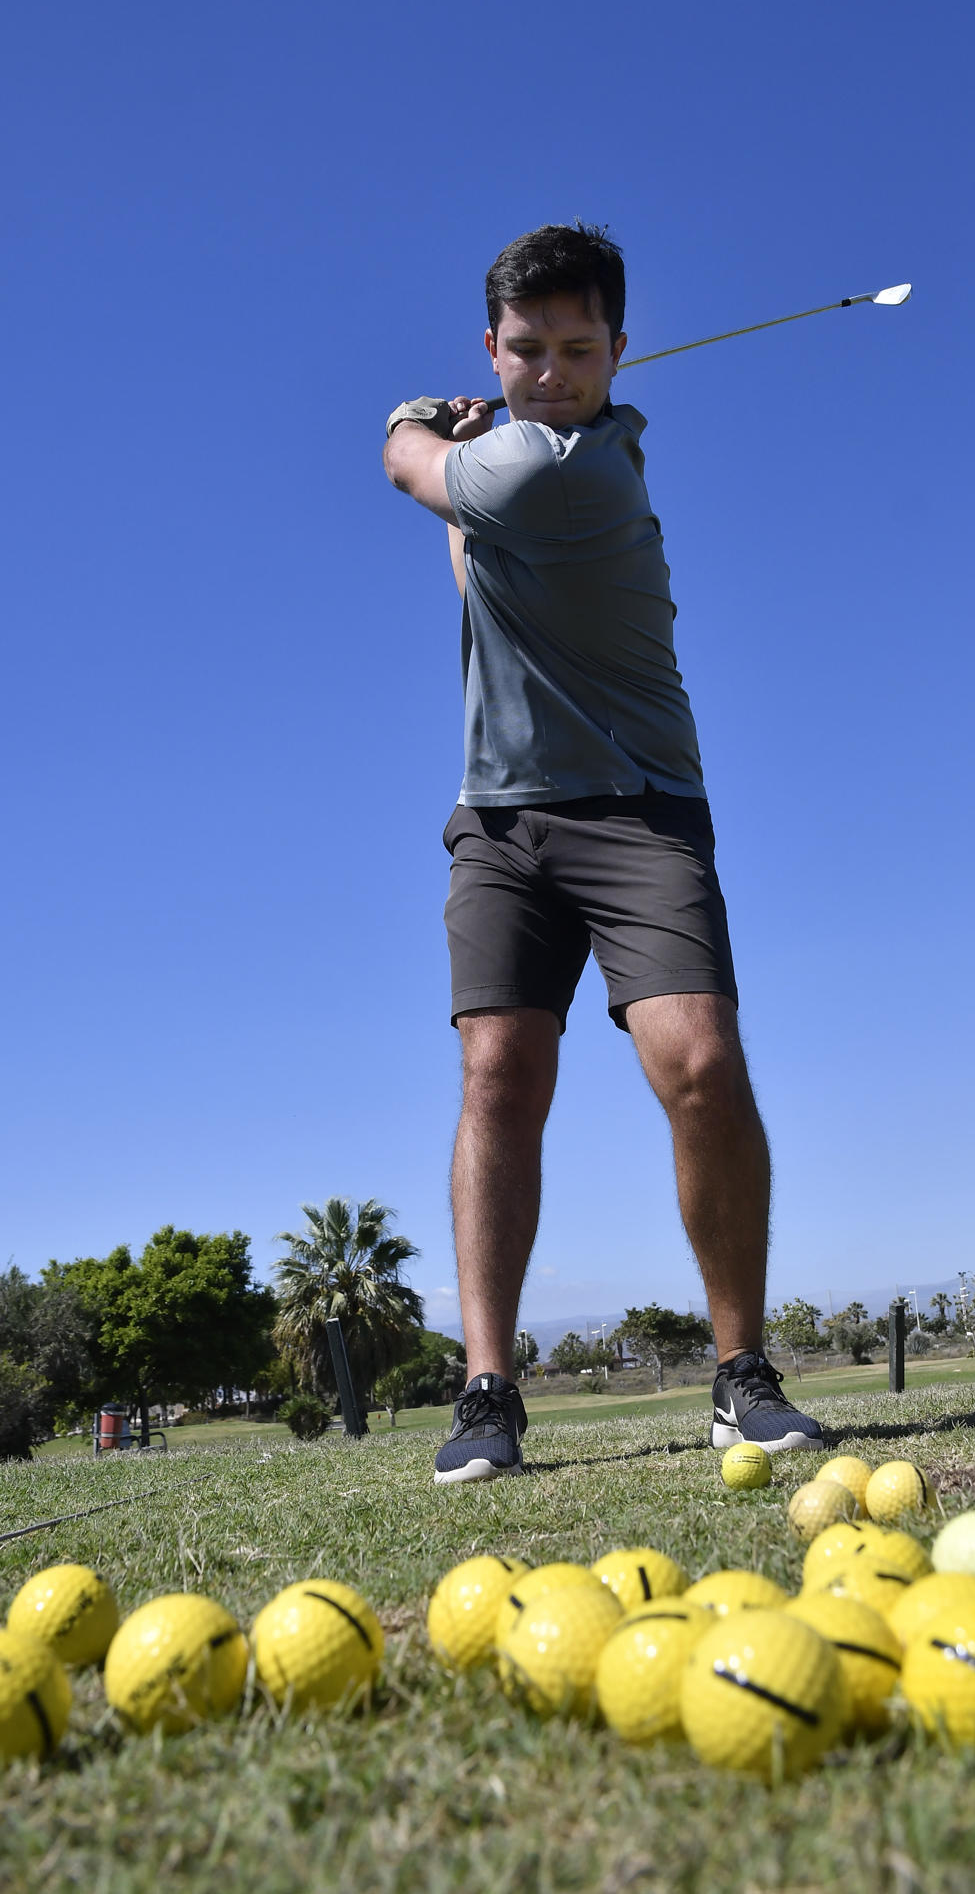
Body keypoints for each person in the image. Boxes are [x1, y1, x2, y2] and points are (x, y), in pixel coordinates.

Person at [382, 222, 823, 1484]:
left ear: (622, 353)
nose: (553, 371)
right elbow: (469, 555)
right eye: (528, 349)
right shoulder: (510, 457)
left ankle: (741, 1375)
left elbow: (407, 465)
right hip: (502, 818)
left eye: (580, 349)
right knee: (497, 1077)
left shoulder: (572, 472)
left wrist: (425, 414)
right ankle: (486, 1393)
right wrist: (472, 441)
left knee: (697, 1058)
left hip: (637, 807)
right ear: (497, 346)